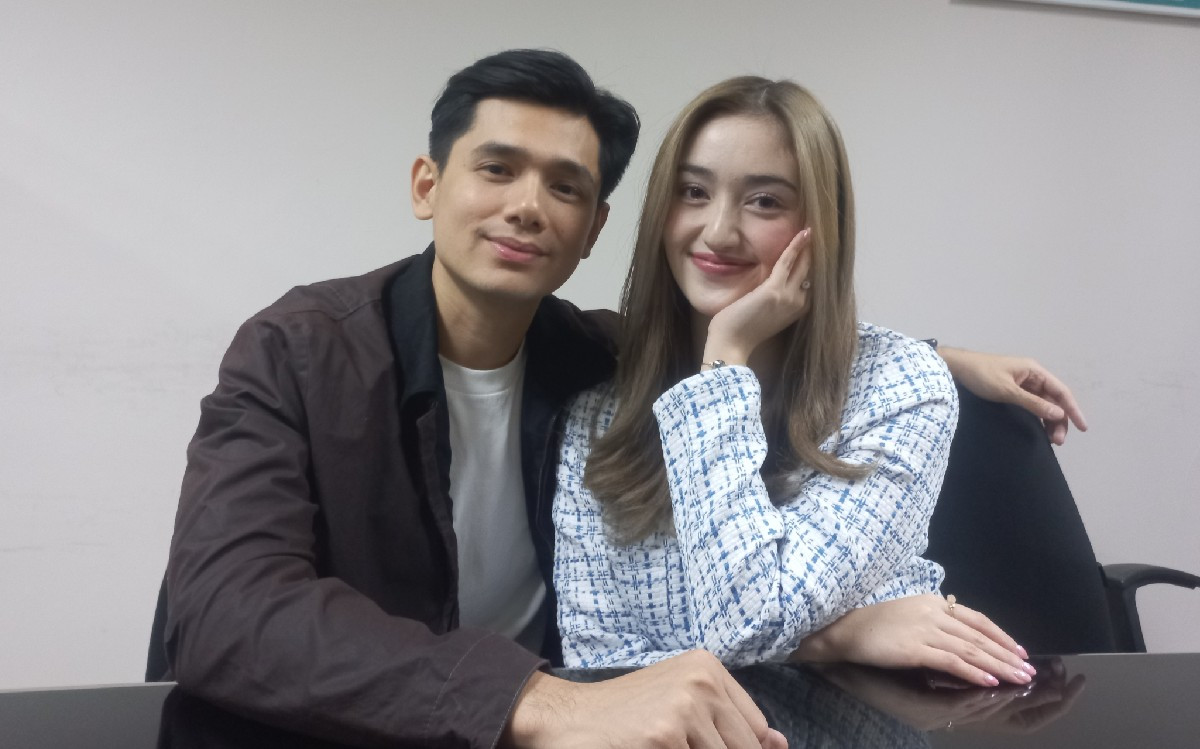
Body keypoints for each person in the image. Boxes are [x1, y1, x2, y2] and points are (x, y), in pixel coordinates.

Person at [160, 50, 1084, 749]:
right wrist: (538, 698)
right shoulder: (300, 351)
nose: (529, 206)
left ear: (596, 225)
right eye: (496, 168)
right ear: (427, 185)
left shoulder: (589, 358)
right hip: (376, 723)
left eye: (565, 185)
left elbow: (765, 336)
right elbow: (221, 611)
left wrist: (940, 359)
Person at [552, 76, 1047, 690]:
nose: (718, 231)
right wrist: (839, 637)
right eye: (694, 192)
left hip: (857, 717)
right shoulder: (598, 416)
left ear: (822, 226)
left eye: (765, 202)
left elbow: (749, 622)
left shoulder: (898, 386)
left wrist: (724, 358)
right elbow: (597, 666)